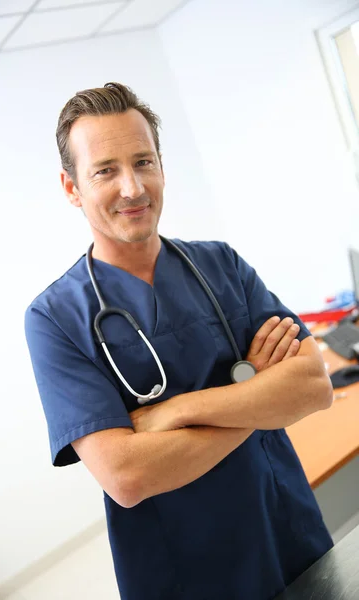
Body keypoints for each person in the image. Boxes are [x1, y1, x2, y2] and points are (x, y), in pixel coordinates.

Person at [25, 82, 334, 600]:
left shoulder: (222, 264)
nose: (132, 187)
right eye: (105, 170)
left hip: (289, 531)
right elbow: (127, 476)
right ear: (71, 188)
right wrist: (259, 395)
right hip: (185, 572)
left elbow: (313, 386)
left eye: (144, 161)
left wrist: (176, 412)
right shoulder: (54, 318)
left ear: (162, 167)